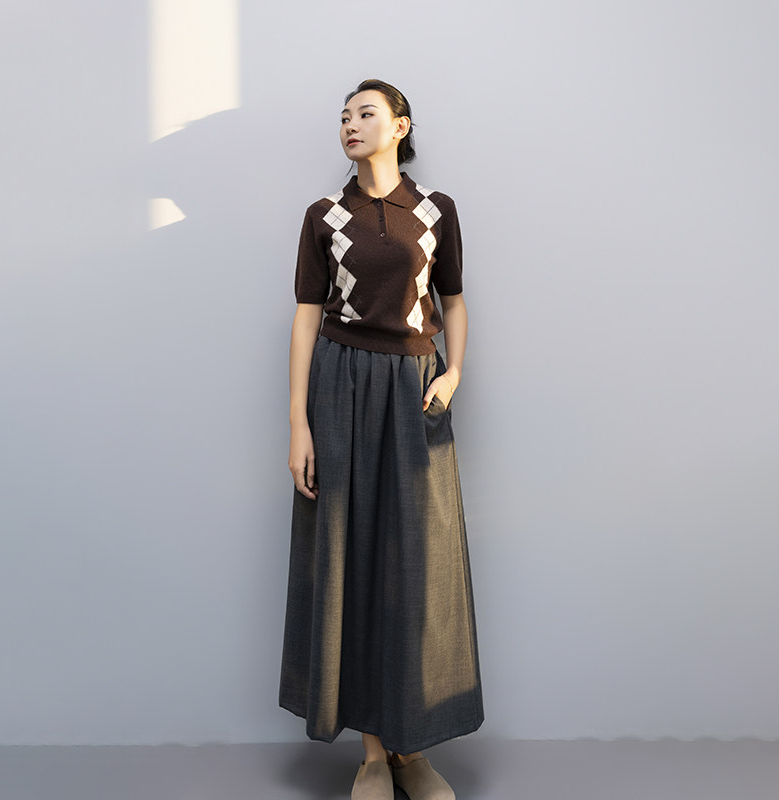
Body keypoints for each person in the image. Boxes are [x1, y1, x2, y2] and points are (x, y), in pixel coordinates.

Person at [279, 78, 483, 800]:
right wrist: (299, 423)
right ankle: (371, 753)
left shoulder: (435, 211)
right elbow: (306, 318)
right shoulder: (325, 216)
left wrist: (454, 375)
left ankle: (410, 747)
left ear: (400, 126)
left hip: (414, 389)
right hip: (339, 389)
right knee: (350, 559)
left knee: (417, 563)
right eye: (343, 116)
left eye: (366, 113)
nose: (350, 124)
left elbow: (453, 302)